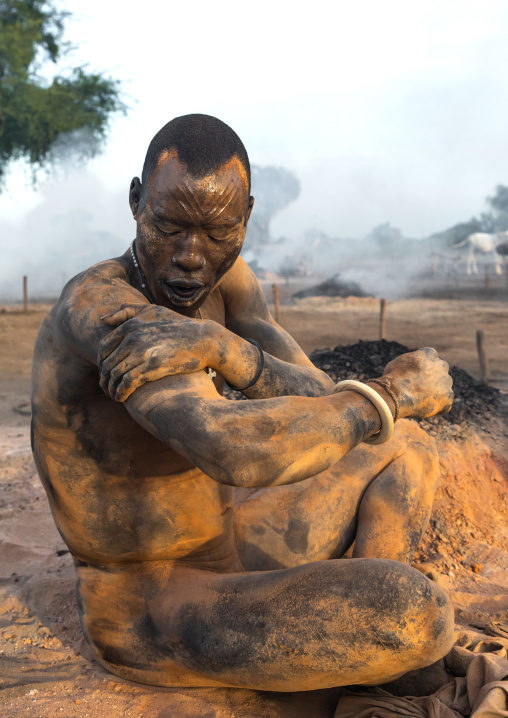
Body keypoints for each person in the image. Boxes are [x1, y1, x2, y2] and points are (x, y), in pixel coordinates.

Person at [31, 114, 454, 692]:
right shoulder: (106, 310)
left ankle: (375, 633)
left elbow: (318, 392)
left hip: (227, 545)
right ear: (136, 202)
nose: (190, 256)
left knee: (405, 443)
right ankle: (382, 643)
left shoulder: (226, 286)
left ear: (246, 217)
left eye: (217, 232)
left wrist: (227, 349)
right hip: (153, 605)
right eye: (169, 226)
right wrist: (391, 394)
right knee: (417, 613)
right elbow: (230, 452)